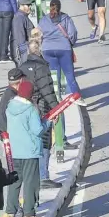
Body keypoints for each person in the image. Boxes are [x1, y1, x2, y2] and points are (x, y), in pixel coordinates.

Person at [19, 40, 68, 187]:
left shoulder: (22, 67)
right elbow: (47, 90)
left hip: (26, 108)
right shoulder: (41, 67)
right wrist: (56, 108)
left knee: (32, 142)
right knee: (44, 139)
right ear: (39, 50)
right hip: (40, 107)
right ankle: (43, 176)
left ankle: (34, 176)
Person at [5, 81, 50, 217]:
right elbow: (38, 130)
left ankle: (10, 214)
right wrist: (48, 122)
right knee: (31, 183)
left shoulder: (9, 107)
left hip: (15, 151)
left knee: (15, 182)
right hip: (30, 152)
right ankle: (29, 214)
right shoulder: (30, 109)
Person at [38, 0, 86, 107]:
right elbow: (72, 33)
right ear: (60, 7)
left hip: (48, 50)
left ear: (49, 7)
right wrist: (71, 43)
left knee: (54, 75)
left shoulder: (43, 20)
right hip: (64, 49)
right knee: (69, 75)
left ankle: (57, 97)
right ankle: (77, 96)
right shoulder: (66, 18)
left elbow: (38, 34)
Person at [0, 68, 25, 135]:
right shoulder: (14, 98)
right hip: (9, 133)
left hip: (5, 131)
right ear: (21, 80)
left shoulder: (8, 92)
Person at [11, 0, 35, 66]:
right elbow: (20, 39)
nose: (30, 7)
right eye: (28, 5)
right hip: (23, 53)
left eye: (30, 5)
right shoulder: (19, 18)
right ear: (21, 6)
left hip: (25, 51)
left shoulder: (23, 17)